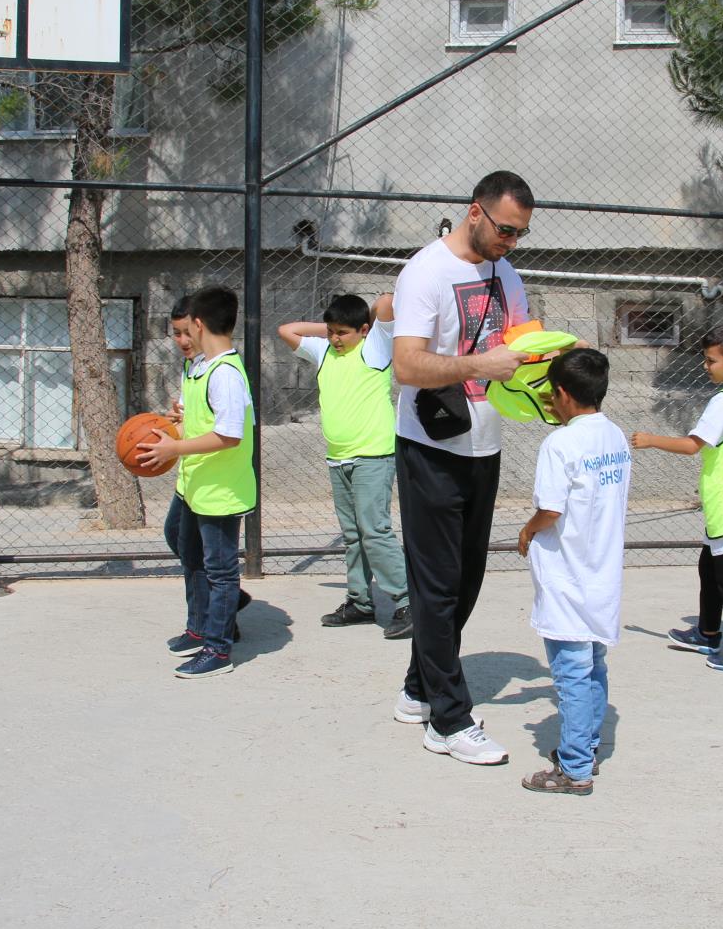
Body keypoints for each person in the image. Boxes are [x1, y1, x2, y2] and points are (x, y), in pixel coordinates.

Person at [389, 170, 534, 766]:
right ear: (475, 212)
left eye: (521, 234)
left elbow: (519, 350)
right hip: (430, 446)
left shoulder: (509, 274)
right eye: (505, 230)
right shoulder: (425, 272)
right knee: (438, 582)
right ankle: (448, 721)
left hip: (484, 445)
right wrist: (481, 362)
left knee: (467, 578)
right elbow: (407, 367)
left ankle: (418, 687)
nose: (511, 242)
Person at [515, 349, 630, 796]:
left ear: (561, 393)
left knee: (571, 674)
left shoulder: (560, 444)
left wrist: (526, 532)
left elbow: (551, 509)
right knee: (594, 665)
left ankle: (575, 769)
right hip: (601, 576)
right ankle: (586, 747)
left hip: (568, 579)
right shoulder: (615, 436)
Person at [629, 325, 723, 676]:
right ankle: (708, 632)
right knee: (710, 565)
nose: (705, 367)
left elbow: (694, 445)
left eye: (711, 361)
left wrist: (650, 439)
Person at [277, 293, 413, 637]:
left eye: (343, 333)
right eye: (332, 332)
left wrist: (362, 325)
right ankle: (360, 603)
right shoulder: (324, 351)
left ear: (363, 330)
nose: (335, 339)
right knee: (353, 535)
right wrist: (330, 328)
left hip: (372, 456)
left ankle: (407, 603)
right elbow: (286, 330)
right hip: (338, 459)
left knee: (374, 530)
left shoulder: (375, 349)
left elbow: (385, 303)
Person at [140, 286, 257, 680]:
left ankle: (218, 649)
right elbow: (205, 418)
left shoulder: (225, 374)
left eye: (184, 329)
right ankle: (204, 623)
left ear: (199, 323)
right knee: (185, 546)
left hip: (220, 491)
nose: (181, 338)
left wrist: (175, 448)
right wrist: (178, 421)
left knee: (219, 571)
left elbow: (229, 435)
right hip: (195, 484)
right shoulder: (200, 368)